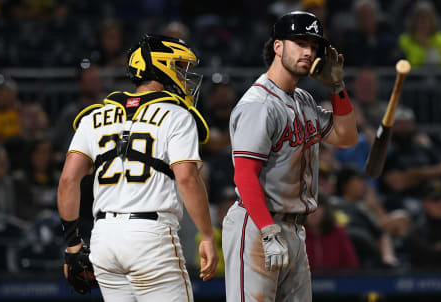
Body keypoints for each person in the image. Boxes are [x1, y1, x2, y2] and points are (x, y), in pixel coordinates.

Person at [57, 34, 218, 301]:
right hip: (151, 236)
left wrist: (73, 245)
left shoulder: (94, 116)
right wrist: (208, 236)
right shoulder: (177, 115)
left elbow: (67, 181)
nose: (183, 74)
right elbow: (187, 179)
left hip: (103, 238)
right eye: (178, 66)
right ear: (161, 66)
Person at [222, 11, 358, 302]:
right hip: (258, 225)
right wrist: (269, 232)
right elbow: (244, 175)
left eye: (313, 44)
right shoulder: (259, 104)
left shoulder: (303, 100)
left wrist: (337, 88)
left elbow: (347, 137)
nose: (308, 51)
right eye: (299, 42)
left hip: (294, 227)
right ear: (278, 46)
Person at [304, 193, 359, 270]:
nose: (313, 212)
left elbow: (352, 265)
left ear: (326, 210)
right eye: (308, 206)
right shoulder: (296, 236)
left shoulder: (338, 233)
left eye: (318, 206)